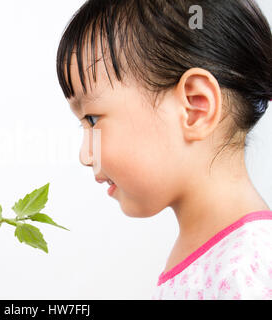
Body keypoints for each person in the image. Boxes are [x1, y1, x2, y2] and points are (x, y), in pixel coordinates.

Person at [56, 0, 272, 299]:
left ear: (195, 107)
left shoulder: (247, 272)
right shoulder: (220, 257)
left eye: (92, 119)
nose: (85, 154)